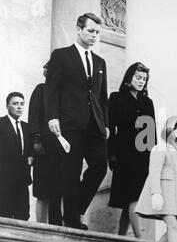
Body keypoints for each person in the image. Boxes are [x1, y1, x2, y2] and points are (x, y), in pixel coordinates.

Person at [44, 13, 109, 229]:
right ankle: (71, 220)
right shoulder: (61, 56)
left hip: (95, 126)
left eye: (98, 32)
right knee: (71, 172)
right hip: (69, 124)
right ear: (78, 29)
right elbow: (51, 90)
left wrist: (106, 124)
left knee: (100, 166)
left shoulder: (100, 62)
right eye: (91, 31)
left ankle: (75, 209)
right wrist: (53, 117)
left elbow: (102, 97)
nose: (94, 36)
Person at [108, 62, 156, 237]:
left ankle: (121, 237)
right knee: (132, 197)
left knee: (133, 197)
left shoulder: (147, 102)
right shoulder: (116, 98)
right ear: (129, 78)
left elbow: (151, 133)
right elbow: (110, 129)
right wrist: (111, 154)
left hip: (142, 156)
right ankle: (139, 237)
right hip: (123, 154)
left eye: (144, 79)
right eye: (138, 77)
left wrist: (153, 158)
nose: (142, 81)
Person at [28, 62, 62, 225]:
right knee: (43, 192)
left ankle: (55, 226)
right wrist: (36, 140)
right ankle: (40, 227)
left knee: (58, 190)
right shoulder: (41, 89)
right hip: (43, 147)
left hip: (60, 149)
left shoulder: (63, 94)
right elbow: (33, 116)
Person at [0, 92, 31, 220]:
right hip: (4, 179)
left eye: (22, 104)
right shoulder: (1, 124)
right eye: (15, 103)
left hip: (22, 179)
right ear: (7, 106)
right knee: (4, 214)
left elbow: (29, 152)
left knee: (23, 215)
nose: (19, 107)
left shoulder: (27, 127)